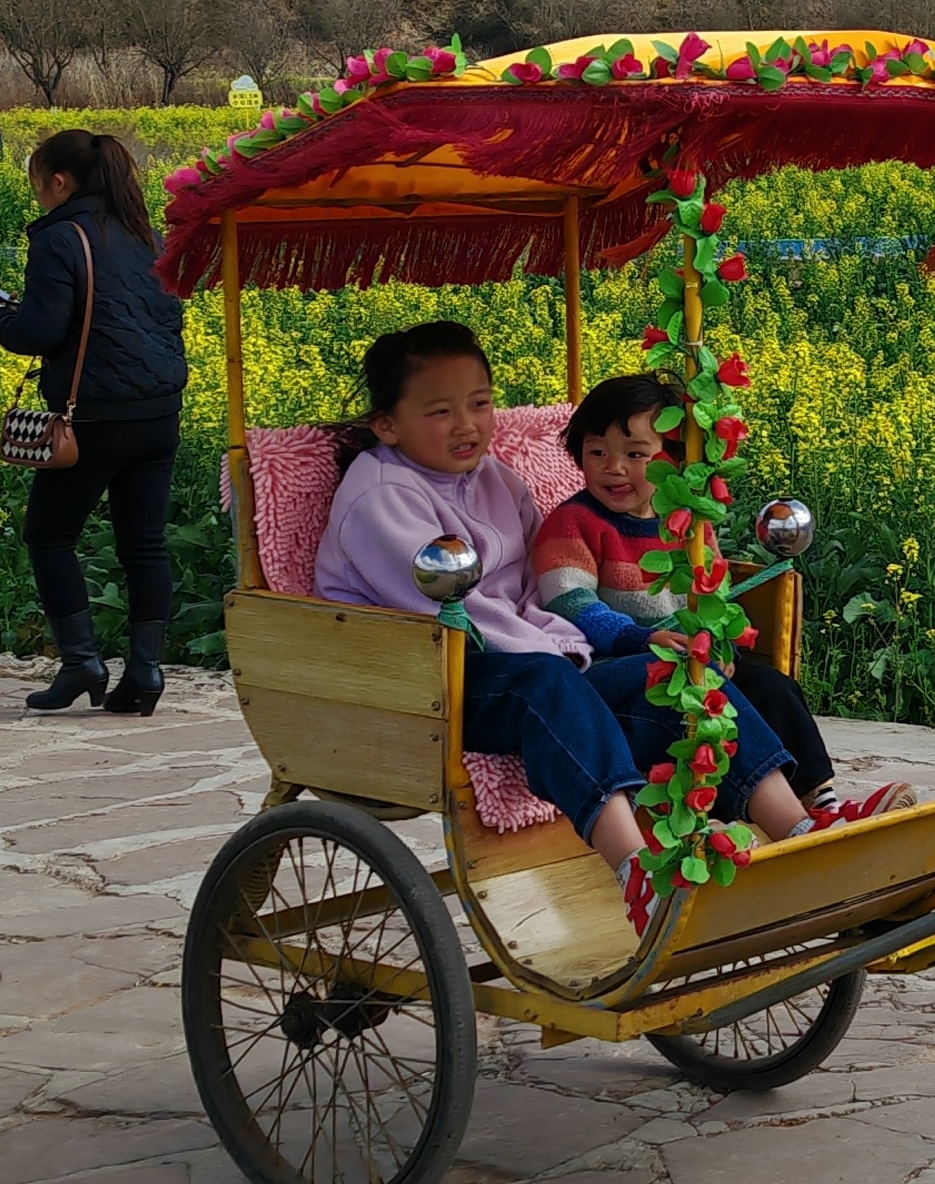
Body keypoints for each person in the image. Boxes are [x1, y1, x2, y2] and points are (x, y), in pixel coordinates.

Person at [314, 324, 810, 933]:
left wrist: (568, 646)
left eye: (481, 403)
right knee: (545, 680)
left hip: (519, 657)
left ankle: (801, 833)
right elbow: (458, 612)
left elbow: (525, 589)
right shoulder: (381, 494)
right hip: (427, 673)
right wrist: (559, 650)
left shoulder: (495, 479)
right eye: (441, 411)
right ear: (388, 424)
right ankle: (634, 867)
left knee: (672, 675)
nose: (468, 424)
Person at [532, 372, 909, 826]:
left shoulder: (687, 520)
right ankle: (787, 821)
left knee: (771, 686)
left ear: (671, 461)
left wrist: (720, 644)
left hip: (687, 658)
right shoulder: (572, 522)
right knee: (698, 692)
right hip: (614, 671)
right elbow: (570, 601)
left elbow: (713, 593)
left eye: (635, 455)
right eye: (597, 453)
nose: (614, 468)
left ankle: (821, 801)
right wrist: (637, 638)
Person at [0, 130, 192, 714]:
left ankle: (81, 663)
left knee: (49, 536)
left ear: (59, 181)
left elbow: (42, 332)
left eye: (37, 183)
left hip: (94, 416)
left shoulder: (61, 237)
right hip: (158, 413)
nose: (38, 196)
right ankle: (145, 672)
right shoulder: (147, 235)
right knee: (144, 545)